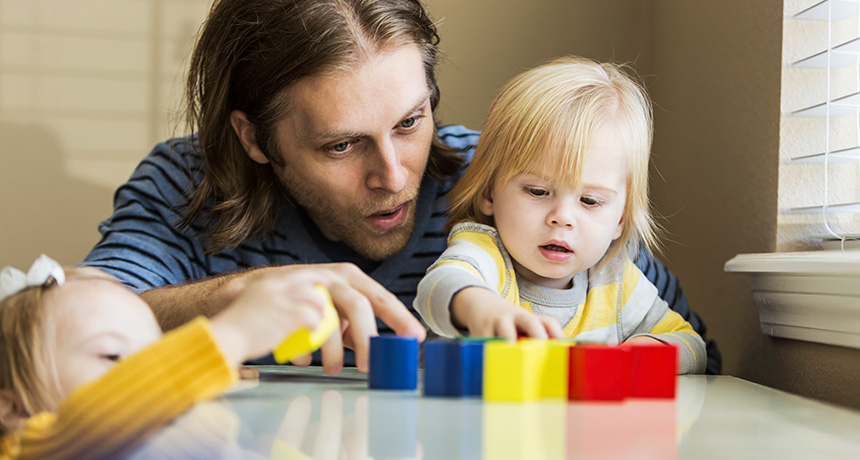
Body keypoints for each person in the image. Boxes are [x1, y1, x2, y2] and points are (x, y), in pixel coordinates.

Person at [82, 0, 721, 374]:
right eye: (341, 144)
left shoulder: (513, 181)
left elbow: (696, 355)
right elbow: (36, 329)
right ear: (254, 139)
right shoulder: (187, 185)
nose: (393, 177)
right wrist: (236, 296)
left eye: (410, 122)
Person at [415, 57, 706, 374]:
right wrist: (481, 308)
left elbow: (692, 345)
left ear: (620, 218)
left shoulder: (615, 281)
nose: (562, 217)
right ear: (488, 194)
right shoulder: (485, 253)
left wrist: (636, 356)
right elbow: (439, 286)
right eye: (538, 192)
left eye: (590, 200)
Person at [0, 254, 339, 460]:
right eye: (114, 354)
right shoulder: (31, 446)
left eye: (156, 349)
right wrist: (232, 335)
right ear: (12, 409)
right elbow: (96, 421)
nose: (153, 368)